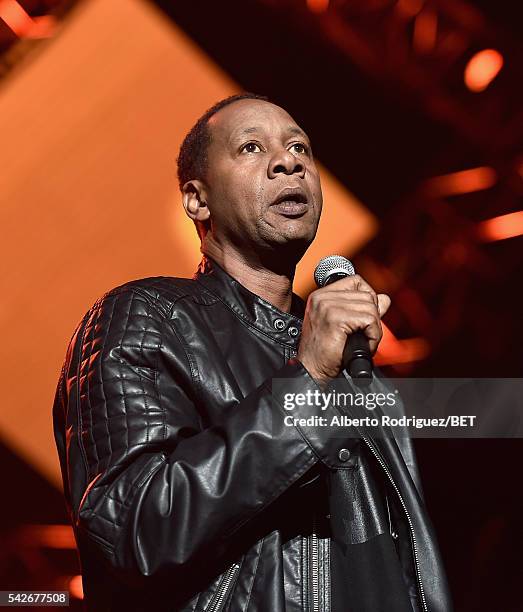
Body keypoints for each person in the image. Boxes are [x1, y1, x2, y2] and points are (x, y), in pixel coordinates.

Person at [53, 93, 452, 611]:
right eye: (250, 148)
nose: (290, 162)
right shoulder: (147, 317)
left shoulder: (357, 374)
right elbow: (133, 532)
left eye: (300, 149)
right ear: (198, 200)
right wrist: (306, 382)